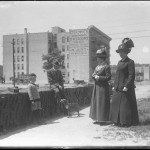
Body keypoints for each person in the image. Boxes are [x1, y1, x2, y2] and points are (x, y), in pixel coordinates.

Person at [109, 38, 139, 127]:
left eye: (122, 52)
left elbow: (131, 76)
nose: (120, 54)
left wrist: (127, 86)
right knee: (115, 104)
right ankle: (116, 121)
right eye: (119, 53)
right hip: (118, 87)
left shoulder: (130, 62)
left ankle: (125, 122)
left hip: (126, 88)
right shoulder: (119, 62)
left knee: (124, 106)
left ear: (126, 52)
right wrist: (114, 85)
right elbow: (117, 75)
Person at [89, 45, 111, 125]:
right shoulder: (97, 67)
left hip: (103, 87)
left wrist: (99, 77)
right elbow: (94, 75)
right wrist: (94, 76)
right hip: (97, 86)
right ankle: (97, 118)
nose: (97, 59)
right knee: (96, 102)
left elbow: (108, 77)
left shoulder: (106, 66)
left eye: (98, 58)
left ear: (102, 58)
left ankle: (103, 119)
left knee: (102, 102)